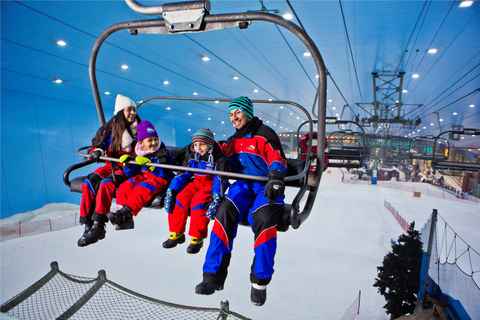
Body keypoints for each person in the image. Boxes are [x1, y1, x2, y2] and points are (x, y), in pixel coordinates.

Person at [195, 96, 288, 306]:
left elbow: (276, 156)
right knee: (223, 213)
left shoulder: (264, 134)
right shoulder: (234, 140)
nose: (234, 117)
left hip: (265, 185)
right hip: (244, 185)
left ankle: (259, 281)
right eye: (230, 114)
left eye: (237, 112)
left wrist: (275, 177)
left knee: (265, 219)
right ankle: (212, 276)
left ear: (247, 112)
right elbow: (220, 152)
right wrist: (201, 148)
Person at [78, 94, 140, 247]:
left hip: (126, 167)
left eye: (134, 110)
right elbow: (98, 144)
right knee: (89, 183)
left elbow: (143, 148)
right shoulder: (111, 129)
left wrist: (132, 158)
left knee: (106, 184)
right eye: (129, 110)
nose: (132, 113)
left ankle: (99, 223)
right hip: (109, 165)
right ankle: (88, 224)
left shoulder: (138, 129)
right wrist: (97, 151)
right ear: (120, 112)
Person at [162, 128, 228, 254]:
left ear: (209, 145)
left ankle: (197, 237)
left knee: (198, 203)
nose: (198, 148)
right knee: (180, 199)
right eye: (196, 145)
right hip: (196, 182)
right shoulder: (191, 157)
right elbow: (183, 174)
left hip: (210, 184)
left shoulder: (218, 158)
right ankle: (176, 232)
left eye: (202, 144)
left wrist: (216, 196)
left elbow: (220, 179)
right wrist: (173, 190)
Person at [106, 120, 174, 230]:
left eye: (155, 139)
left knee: (141, 189)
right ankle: (126, 219)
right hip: (145, 177)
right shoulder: (138, 152)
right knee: (126, 185)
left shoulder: (163, 152)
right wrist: (128, 165)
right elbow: (131, 173)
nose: (154, 143)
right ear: (141, 143)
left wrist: (151, 166)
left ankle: (124, 213)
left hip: (160, 179)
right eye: (150, 140)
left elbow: (165, 171)